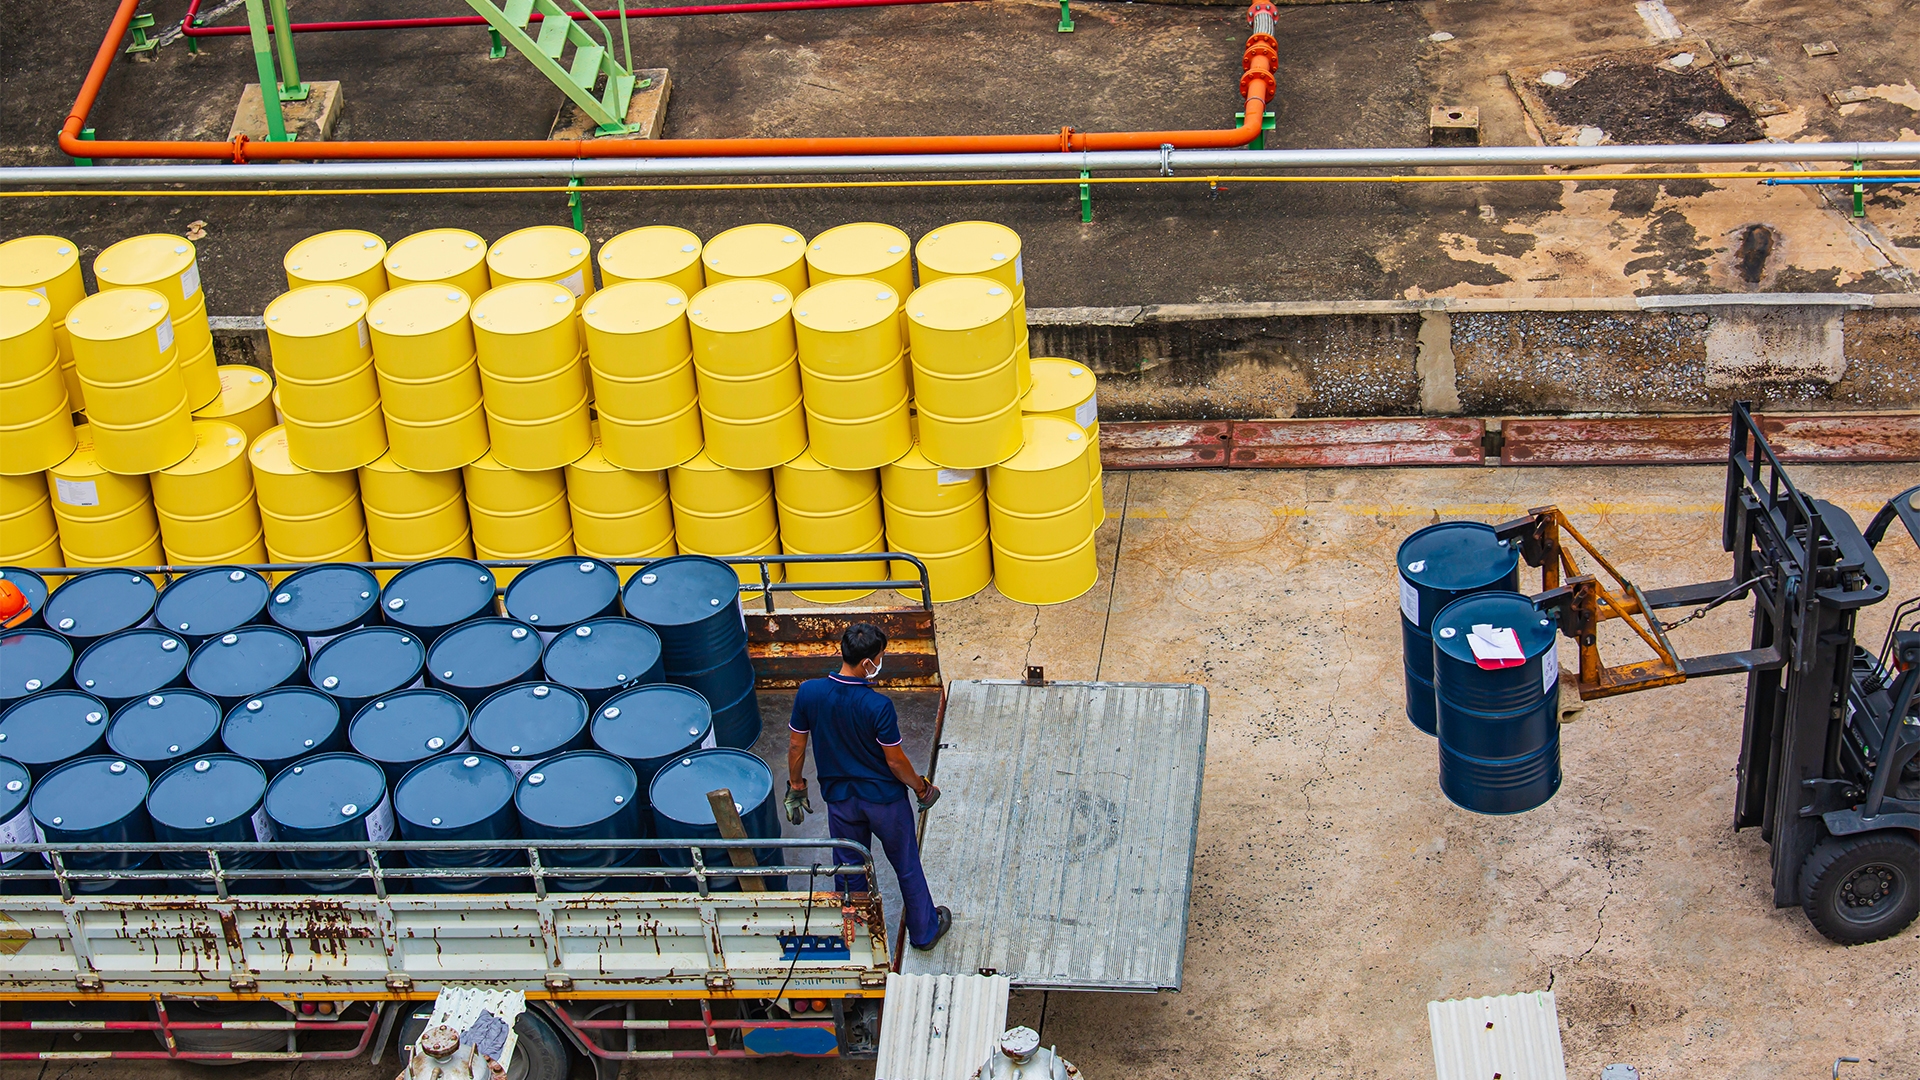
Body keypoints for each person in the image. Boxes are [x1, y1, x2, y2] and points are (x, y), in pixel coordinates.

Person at [785, 622, 951, 950]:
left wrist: (796, 784)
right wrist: (921, 788)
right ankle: (925, 932)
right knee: (905, 864)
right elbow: (896, 762)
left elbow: (795, 746)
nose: (880, 662)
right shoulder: (877, 706)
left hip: (841, 802)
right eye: (880, 657)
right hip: (884, 802)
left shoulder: (810, 693)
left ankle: (859, 940)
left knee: (849, 869)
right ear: (867, 663)